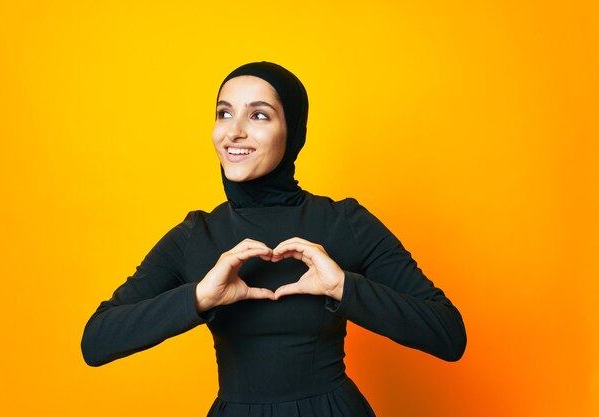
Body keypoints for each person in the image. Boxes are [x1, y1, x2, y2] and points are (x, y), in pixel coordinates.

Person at [81, 61, 467, 416]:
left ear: (293, 131)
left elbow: (449, 335)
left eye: (259, 115)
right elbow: (96, 342)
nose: (234, 131)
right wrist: (199, 297)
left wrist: (343, 288)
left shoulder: (345, 222)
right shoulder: (195, 235)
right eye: (224, 113)